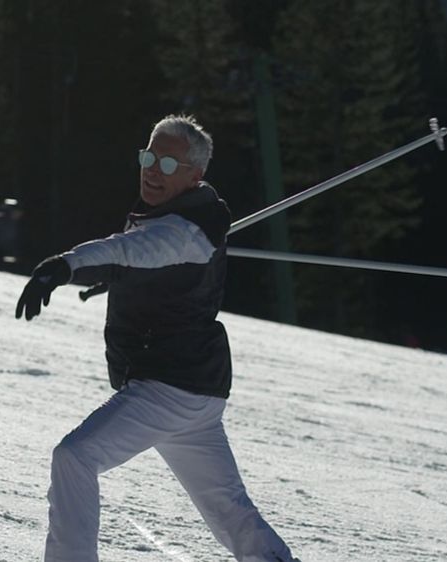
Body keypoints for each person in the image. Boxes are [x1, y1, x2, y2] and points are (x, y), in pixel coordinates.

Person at [16, 115, 299, 562]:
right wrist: (123, 280)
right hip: (196, 394)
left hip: (169, 385)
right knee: (228, 511)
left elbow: (130, 249)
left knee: (75, 458)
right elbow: (146, 260)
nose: (152, 170)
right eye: (148, 157)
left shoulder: (185, 232)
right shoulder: (177, 218)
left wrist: (65, 265)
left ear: (195, 175)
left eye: (168, 164)